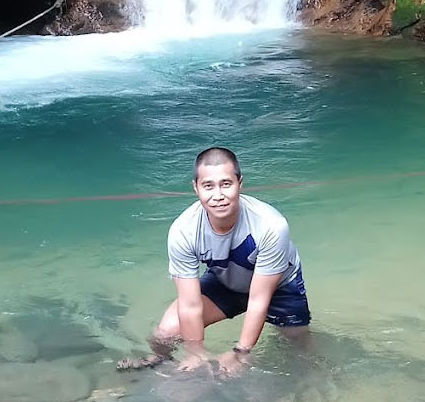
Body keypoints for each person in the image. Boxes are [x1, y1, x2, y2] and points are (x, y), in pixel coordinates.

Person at [117, 146, 310, 376]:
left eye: (226, 184)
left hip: (278, 286)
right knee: (164, 335)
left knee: (299, 350)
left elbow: (258, 299)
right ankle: (161, 364)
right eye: (208, 186)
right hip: (225, 281)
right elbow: (189, 304)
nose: (218, 195)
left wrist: (240, 352)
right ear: (196, 188)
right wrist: (195, 352)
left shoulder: (271, 226)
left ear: (240, 183)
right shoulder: (184, 231)